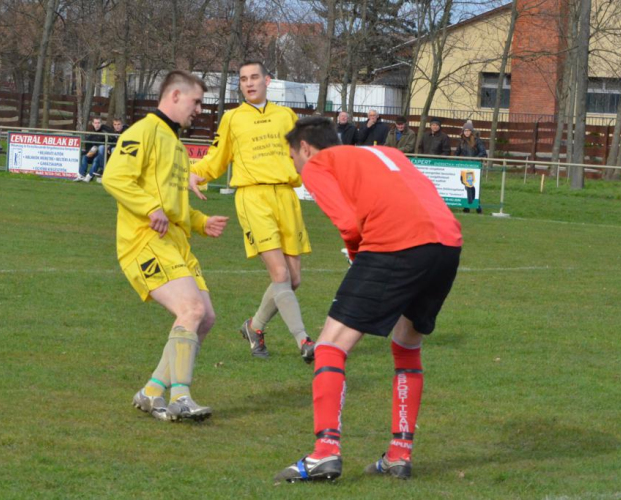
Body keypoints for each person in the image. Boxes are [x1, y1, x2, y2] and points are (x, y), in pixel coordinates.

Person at [274, 116, 462, 483]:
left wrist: (358, 256)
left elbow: (348, 224)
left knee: (330, 344)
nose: (296, 166)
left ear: (306, 149)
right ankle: (399, 455)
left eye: (293, 156)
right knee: (407, 345)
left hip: (397, 243)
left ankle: (324, 453)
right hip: (447, 244)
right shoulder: (386, 151)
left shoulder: (318, 165)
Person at [103, 70, 229, 422]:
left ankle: (152, 391)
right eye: (196, 102)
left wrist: (201, 222)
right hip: (144, 240)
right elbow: (114, 177)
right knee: (191, 310)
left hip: (174, 241)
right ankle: (181, 397)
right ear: (174, 96)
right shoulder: (143, 131)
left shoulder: (174, 142)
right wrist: (149, 208)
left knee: (205, 319)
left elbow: (173, 204)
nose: (199, 110)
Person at [189, 60, 316, 364]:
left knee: (293, 279)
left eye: (254, 77)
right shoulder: (232, 118)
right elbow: (217, 157)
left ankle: (254, 326)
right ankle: (305, 341)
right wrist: (196, 173)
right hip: (252, 196)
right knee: (280, 273)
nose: (249, 83)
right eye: (243, 79)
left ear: (267, 80)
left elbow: (303, 155)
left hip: (286, 196)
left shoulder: (287, 116)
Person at [454, 120, 486, 214]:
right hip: (464, 166)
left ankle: (473, 205)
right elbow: (457, 153)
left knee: (471, 185)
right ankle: (471, 204)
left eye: (468, 131)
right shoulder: (461, 142)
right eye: (465, 131)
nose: (466, 132)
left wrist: (475, 160)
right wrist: (455, 162)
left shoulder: (477, 141)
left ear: (471, 131)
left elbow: (483, 152)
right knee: (467, 185)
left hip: (474, 167)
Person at [75, 117, 112, 182]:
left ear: (101, 123)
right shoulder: (91, 134)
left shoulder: (105, 131)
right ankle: (81, 175)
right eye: (95, 123)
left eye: (98, 123)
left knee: (96, 159)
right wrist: (89, 153)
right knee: (84, 156)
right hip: (92, 153)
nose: (97, 125)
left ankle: (89, 176)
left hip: (103, 155)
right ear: (92, 124)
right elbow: (87, 147)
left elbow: (110, 141)